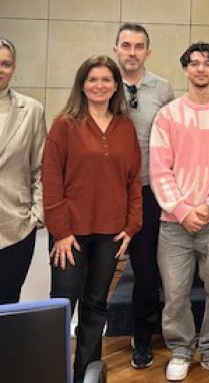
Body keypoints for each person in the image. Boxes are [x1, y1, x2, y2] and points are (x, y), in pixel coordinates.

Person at [43, 55, 142, 383]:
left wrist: (131, 225)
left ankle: (86, 372)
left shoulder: (125, 127)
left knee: (96, 305)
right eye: (93, 79)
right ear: (82, 85)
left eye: (106, 80)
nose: (99, 85)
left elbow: (133, 180)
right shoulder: (64, 125)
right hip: (70, 234)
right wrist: (60, 232)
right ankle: (54, 372)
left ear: (116, 86)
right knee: (63, 304)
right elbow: (51, 180)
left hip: (110, 233)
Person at [150, 42, 209, 382]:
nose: (201, 69)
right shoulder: (168, 115)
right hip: (174, 224)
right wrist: (182, 210)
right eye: (194, 63)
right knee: (175, 294)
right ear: (185, 69)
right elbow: (159, 169)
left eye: (207, 63)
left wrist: (208, 205)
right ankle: (180, 349)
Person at [113, 23, 175, 369]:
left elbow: (173, 139)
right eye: (126, 45)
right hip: (108, 192)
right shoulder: (103, 83)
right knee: (100, 268)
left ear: (147, 52)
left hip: (148, 190)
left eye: (139, 46)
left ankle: (142, 337)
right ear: (116, 50)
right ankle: (89, 340)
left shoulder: (163, 89)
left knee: (146, 270)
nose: (132, 52)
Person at [0, 37, 46, 304]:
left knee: (7, 302)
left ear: (14, 68)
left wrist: (37, 215)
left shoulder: (31, 110)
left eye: (6, 64)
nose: (1, 69)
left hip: (16, 226)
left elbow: (40, 167)